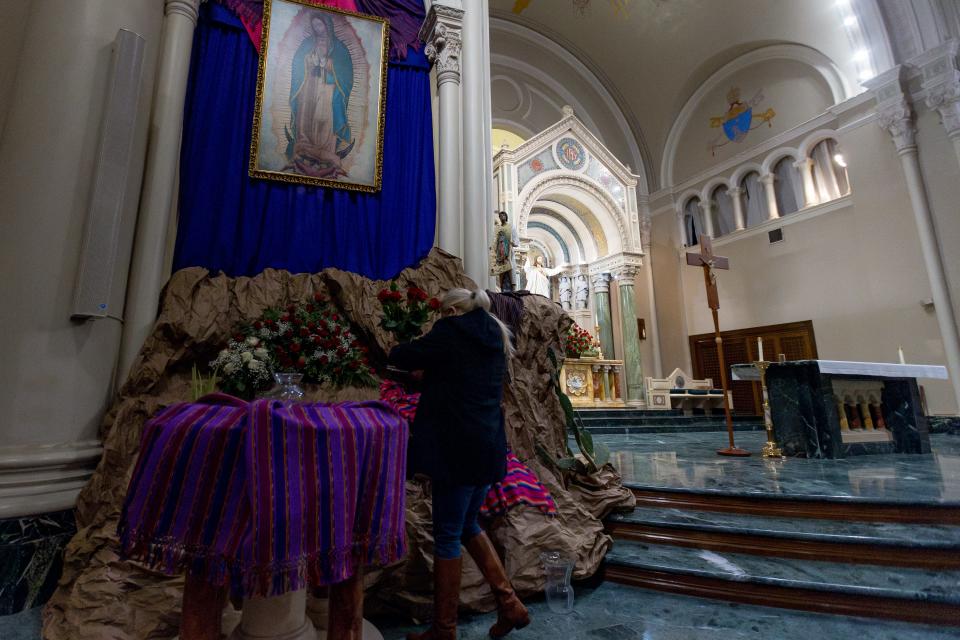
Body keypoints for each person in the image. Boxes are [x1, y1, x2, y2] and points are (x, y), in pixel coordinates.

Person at [389, 288, 530, 640]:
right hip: (486, 445)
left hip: (456, 447)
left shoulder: (451, 330)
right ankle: (510, 604)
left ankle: (444, 629)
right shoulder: (495, 333)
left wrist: (401, 343)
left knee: (448, 534)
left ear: (452, 310)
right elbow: (463, 376)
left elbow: (404, 356)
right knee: (468, 524)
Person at [287, 13, 355, 178]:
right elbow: (297, 64)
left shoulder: (339, 48)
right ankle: (304, 145)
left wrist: (331, 66)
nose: (318, 29)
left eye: (320, 25)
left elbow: (346, 74)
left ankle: (325, 150)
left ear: (327, 25)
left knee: (323, 118)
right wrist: (308, 62)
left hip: (328, 89)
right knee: (307, 114)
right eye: (315, 25)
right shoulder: (307, 44)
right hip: (309, 84)